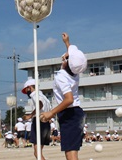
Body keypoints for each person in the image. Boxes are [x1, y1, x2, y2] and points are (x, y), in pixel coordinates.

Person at [40, 32, 87, 160]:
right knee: (71, 149)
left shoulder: (61, 77)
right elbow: (73, 60)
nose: (64, 55)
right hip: (76, 113)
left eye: (66, 56)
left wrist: (51, 113)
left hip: (69, 113)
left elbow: (69, 99)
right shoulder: (74, 73)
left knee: (70, 152)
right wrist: (67, 43)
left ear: (66, 61)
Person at [22, 78, 52, 160]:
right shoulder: (44, 96)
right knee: (38, 152)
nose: (27, 92)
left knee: (37, 153)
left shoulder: (35, 95)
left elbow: (40, 104)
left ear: (29, 87)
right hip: (45, 122)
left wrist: (30, 115)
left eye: (27, 89)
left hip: (39, 122)